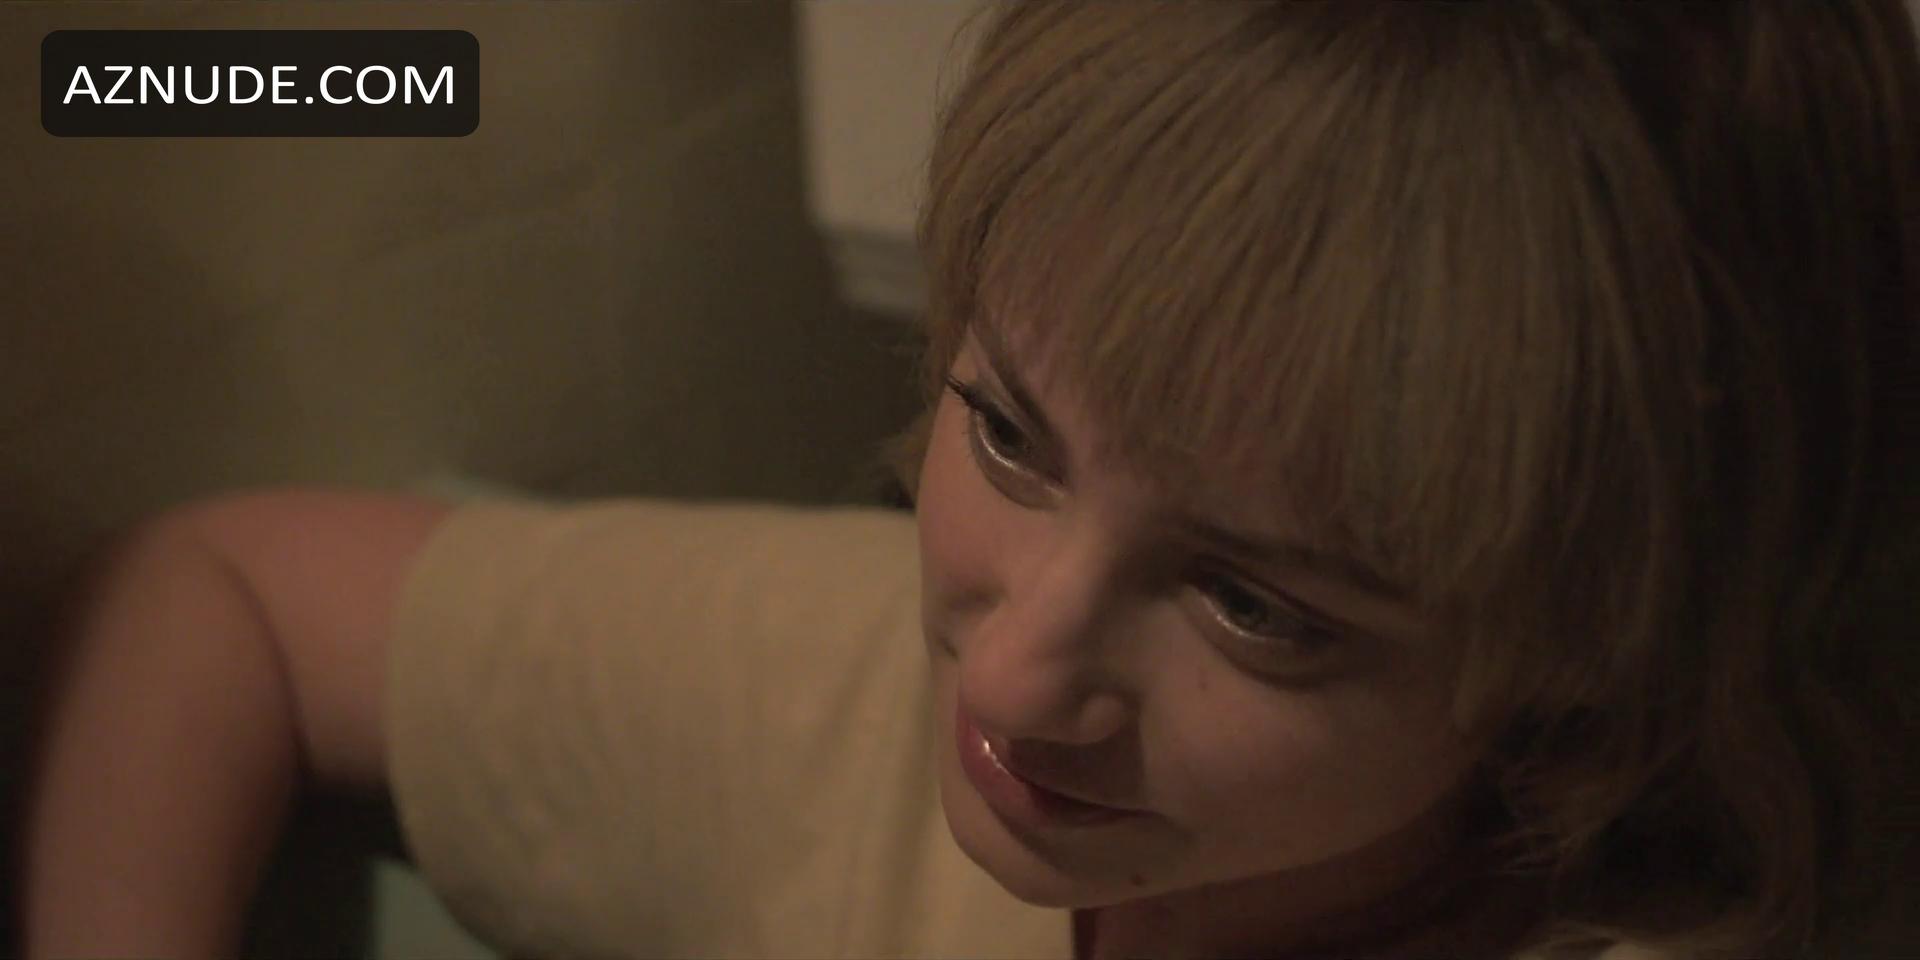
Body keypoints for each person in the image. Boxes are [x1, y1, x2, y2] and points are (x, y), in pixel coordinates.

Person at [19, 2, 1920, 957]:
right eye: (1007, 432)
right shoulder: (872, 707)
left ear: (1607, 642)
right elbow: (224, 599)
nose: (1010, 673)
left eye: (1256, 605)